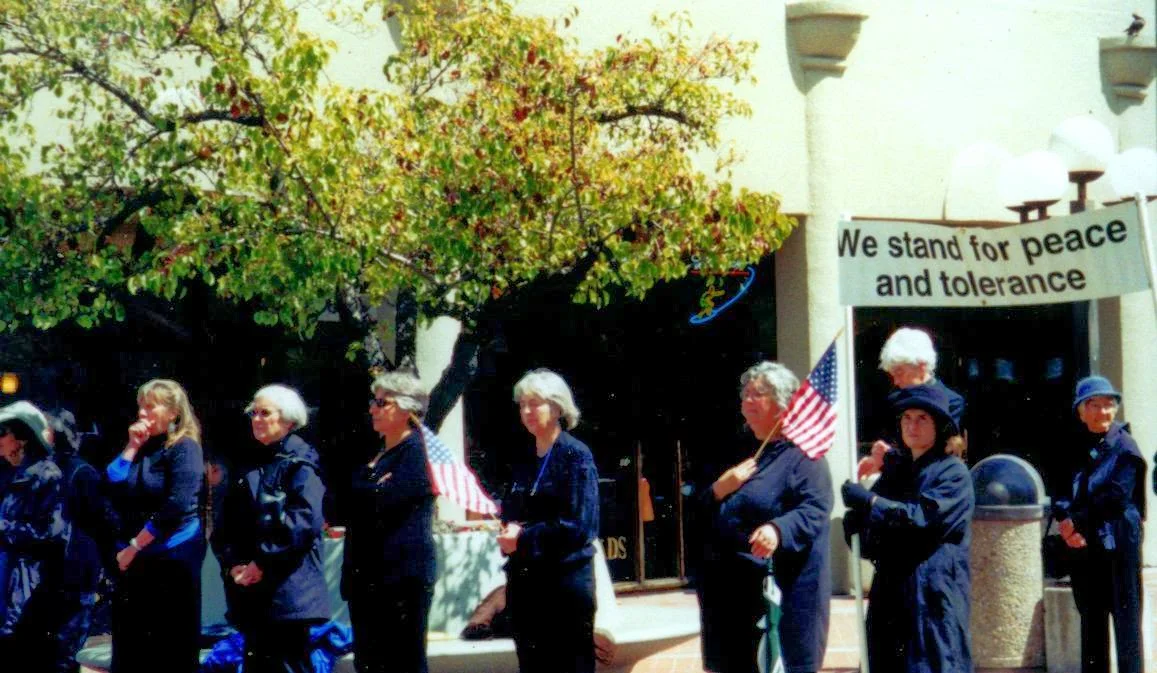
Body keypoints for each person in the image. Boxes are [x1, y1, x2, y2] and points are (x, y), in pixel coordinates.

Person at [695, 362, 832, 673]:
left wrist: (778, 529)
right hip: (731, 596)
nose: (746, 401)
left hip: (780, 597)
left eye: (757, 394)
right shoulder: (739, 448)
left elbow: (815, 508)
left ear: (782, 404)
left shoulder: (804, 455)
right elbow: (700, 507)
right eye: (744, 394)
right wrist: (718, 488)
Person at [842, 383, 974, 673]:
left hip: (930, 596)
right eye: (907, 418)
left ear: (939, 426)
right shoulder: (896, 473)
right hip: (890, 596)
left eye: (922, 418)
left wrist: (872, 503)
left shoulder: (952, 473)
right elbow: (870, 535)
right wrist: (856, 522)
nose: (912, 426)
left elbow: (920, 521)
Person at [499, 369, 599, 673]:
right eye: (522, 405)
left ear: (557, 408)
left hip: (564, 586)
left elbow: (580, 526)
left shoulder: (575, 455)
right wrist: (506, 530)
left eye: (535, 403)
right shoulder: (523, 458)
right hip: (526, 585)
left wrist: (523, 537)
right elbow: (512, 513)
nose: (527, 411)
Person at [104, 379, 206, 673]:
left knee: (166, 649)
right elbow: (110, 485)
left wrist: (135, 546)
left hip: (170, 557)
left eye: (151, 406)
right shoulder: (145, 449)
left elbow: (176, 505)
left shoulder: (184, 448)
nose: (142, 413)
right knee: (131, 649)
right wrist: (132, 446)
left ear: (173, 412)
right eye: (141, 406)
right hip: (136, 558)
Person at [341, 372, 437, 673]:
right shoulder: (377, 456)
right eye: (374, 401)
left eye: (383, 403)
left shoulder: (419, 453)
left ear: (407, 409)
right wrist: (369, 488)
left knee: (403, 663)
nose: (373, 409)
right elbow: (342, 504)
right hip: (366, 581)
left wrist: (366, 490)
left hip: (400, 581)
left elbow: (382, 503)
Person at [1054, 376, 1144, 673]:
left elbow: (1115, 496)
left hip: (1118, 542)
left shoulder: (1125, 447)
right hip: (1082, 543)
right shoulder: (1073, 444)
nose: (1102, 412)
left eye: (1108, 405)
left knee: (1126, 622)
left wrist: (1074, 523)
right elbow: (1061, 488)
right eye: (1094, 405)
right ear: (1081, 411)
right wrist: (1065, 521)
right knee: (1091, 621)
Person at [0, 401, 70, 671]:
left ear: (21, 437)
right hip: (10, 582)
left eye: (2, 432)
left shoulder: (46, 476)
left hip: (30, 587)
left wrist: (4, 527)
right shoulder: (12, 475)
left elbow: (50, 533)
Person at [47, 408, 113, 673]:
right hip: (74, 570)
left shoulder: (48, 471)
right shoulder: (82, 472)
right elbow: (103, 523)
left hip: (59, 570)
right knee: (66, 647)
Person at [858, 326, 966, 480]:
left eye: (899, 372)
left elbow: (935, 453)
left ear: (922, 365)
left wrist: (889, 456)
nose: (895, 381)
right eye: (892, 375)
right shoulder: (894, 399)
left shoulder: (952, 402)